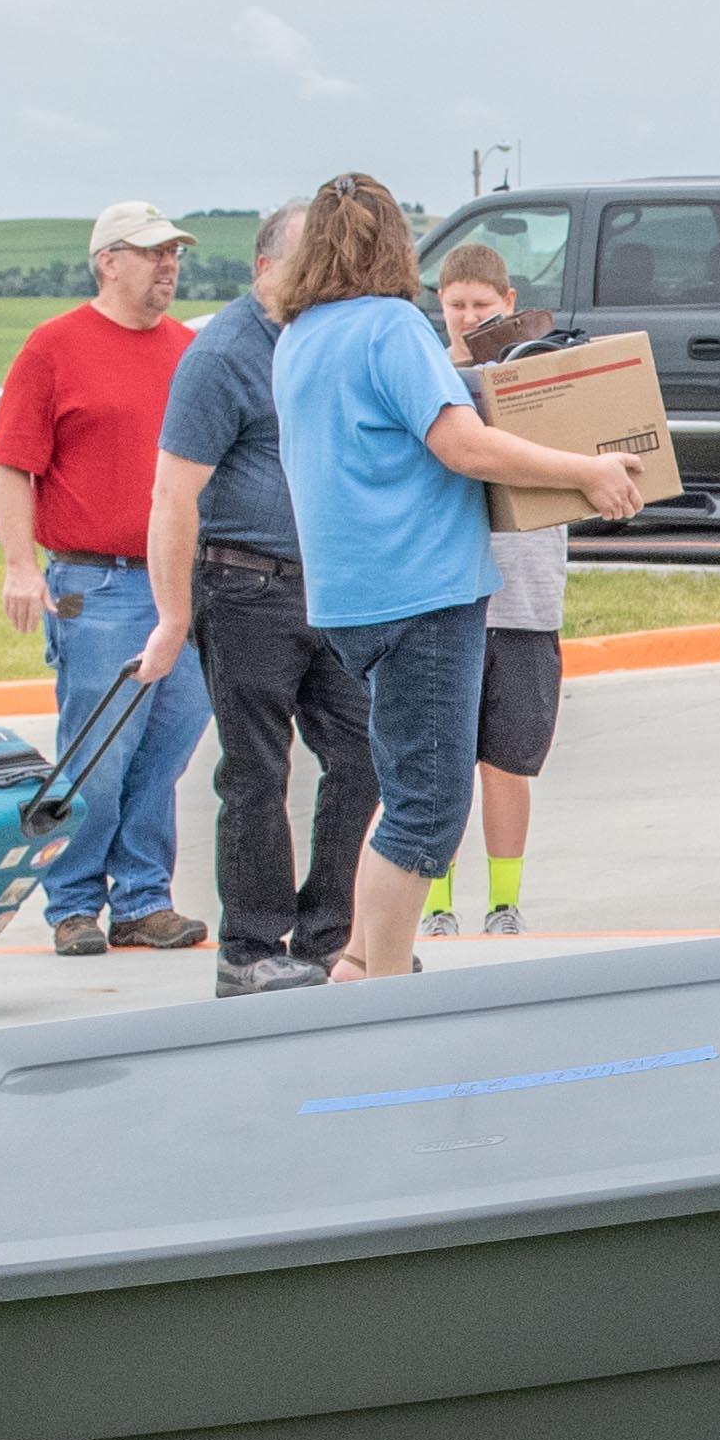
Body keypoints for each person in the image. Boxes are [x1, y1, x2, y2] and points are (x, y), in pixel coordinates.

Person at [266, 175, 644, 980]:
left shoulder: (299, 335)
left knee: (401, 785)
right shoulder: (391, 327)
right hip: (423, 590)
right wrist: (587, 470)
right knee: (427, 808)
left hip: (348, 596)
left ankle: (361, 961)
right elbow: (462, 445)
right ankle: (388, 986)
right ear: (393, 246)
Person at [137, 201, 367, 997]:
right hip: (243, 586)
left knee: (363, 754)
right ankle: (250, 946)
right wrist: (172, 615)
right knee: (257, 770)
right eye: (313, 265)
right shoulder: (224, 354)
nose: (330, 280)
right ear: (267, 269)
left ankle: (331, 934)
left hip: (330, 588)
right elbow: (173, 494)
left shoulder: (324, 342)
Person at [0, 201, 211, 956]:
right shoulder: (54, 348)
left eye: (173, 253)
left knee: (169, 744)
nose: (168, 266)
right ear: (107, 261)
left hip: (180, 583)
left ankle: (144, 898)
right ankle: (73, 902)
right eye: (152, 253)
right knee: (99, 749)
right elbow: (13, 463)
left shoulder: (190, 352)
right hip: (98, 584)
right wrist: (21, 565)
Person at [425, 246, 568, 937]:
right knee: (440, 759)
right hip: (447, 596)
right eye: (456, 305)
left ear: (508, 303)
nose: (469, 317)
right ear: (439, 306)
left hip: (526, 593)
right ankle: (435, 901)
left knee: (507, 759)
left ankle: (504, 900)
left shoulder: (541, 381)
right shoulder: (425, 379)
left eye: (482, 306)